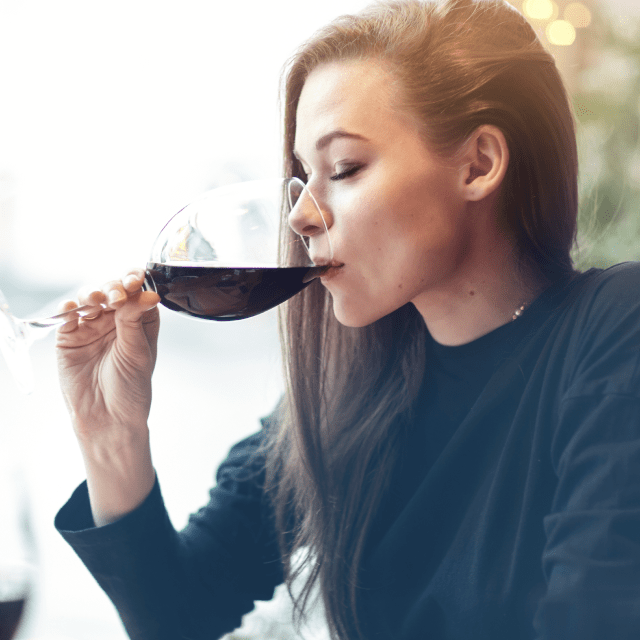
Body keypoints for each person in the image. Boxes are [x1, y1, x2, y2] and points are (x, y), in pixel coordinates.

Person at [54, 0, 640, 638]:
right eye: (304, 178)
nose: (301, 215)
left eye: (344, 169)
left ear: (478, 165)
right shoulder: (350, 390)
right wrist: (110, 433)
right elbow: (179, 614)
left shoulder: (616, 330)